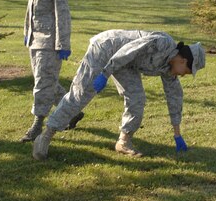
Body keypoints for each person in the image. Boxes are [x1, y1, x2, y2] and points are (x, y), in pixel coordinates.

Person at [32, 30, 205, 161]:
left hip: (127, 63)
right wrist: (105, 74)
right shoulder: (162, 43)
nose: (184, 75)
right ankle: (46, 135)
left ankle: (123, 142)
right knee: (82, 93)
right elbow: (127, 51)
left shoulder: (170, 69)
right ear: (183, 61)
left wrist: (177, 134)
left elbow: (175, 97)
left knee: (136, 98)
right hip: (107, 49)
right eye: (188, 71)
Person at [18, 0, 74, 142]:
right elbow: (30, 8)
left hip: (50, 41)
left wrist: (63, 45)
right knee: (47, 80)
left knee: (42, 83)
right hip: (35, 37)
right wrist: (27, 32)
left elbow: (63, 14)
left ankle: (37, 124)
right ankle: (72, 111)